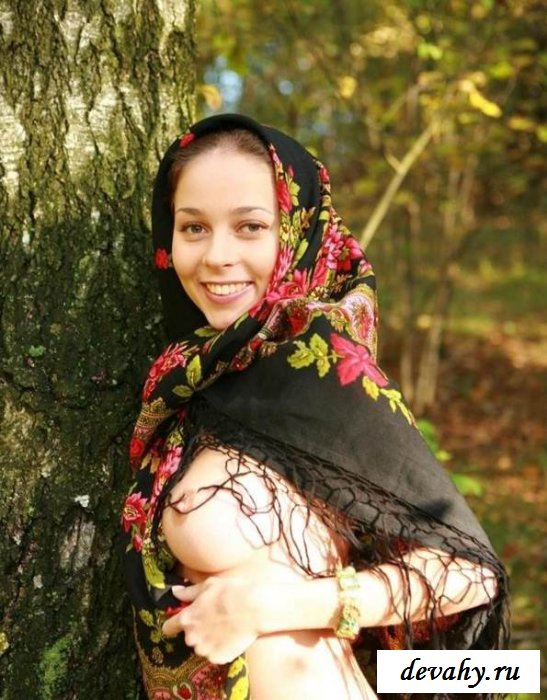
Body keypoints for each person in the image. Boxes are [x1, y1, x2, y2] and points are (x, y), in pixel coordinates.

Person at [121, 114, 509, 700]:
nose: (217, 255)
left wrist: (279, 605)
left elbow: (473, 573)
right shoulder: (196, 376)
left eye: (251, 227)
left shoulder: (317, 368)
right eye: (194, 227)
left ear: (298, 233)